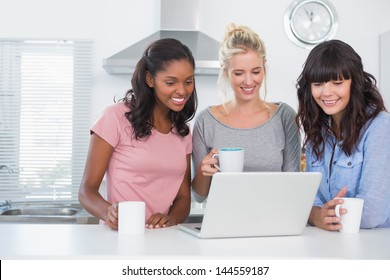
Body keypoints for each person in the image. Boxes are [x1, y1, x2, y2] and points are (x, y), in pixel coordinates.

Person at [79, 38, 198, 230]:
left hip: (163, 240)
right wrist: (108, 212)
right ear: (150, 79)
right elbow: (86, 191)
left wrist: (171, 219)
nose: (182, 90)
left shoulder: (182, 131)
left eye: (188, 81)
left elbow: (183, 198)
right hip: (121, 237)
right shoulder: (114, 117)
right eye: (170, 82)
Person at [191, 23, 301, 202]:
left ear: (264, 68)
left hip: (273, 221)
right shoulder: (206, 121)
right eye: (239, 73)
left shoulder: (284, 117)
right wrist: (204, 171)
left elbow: (292, 185)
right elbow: (199, 196)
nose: (249, 81)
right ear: (226, 72)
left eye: (256, 71)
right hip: (225, 221)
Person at [296, 39, 390, 230]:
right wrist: (315, 216)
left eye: (337, 82)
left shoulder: (380, 127)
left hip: (374, 245)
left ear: (354, 83)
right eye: (318, 84)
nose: (327, 92)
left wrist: (320, 215)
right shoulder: (317, 129)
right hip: (330, 242)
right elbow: (311, 197)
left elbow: (372, 214)